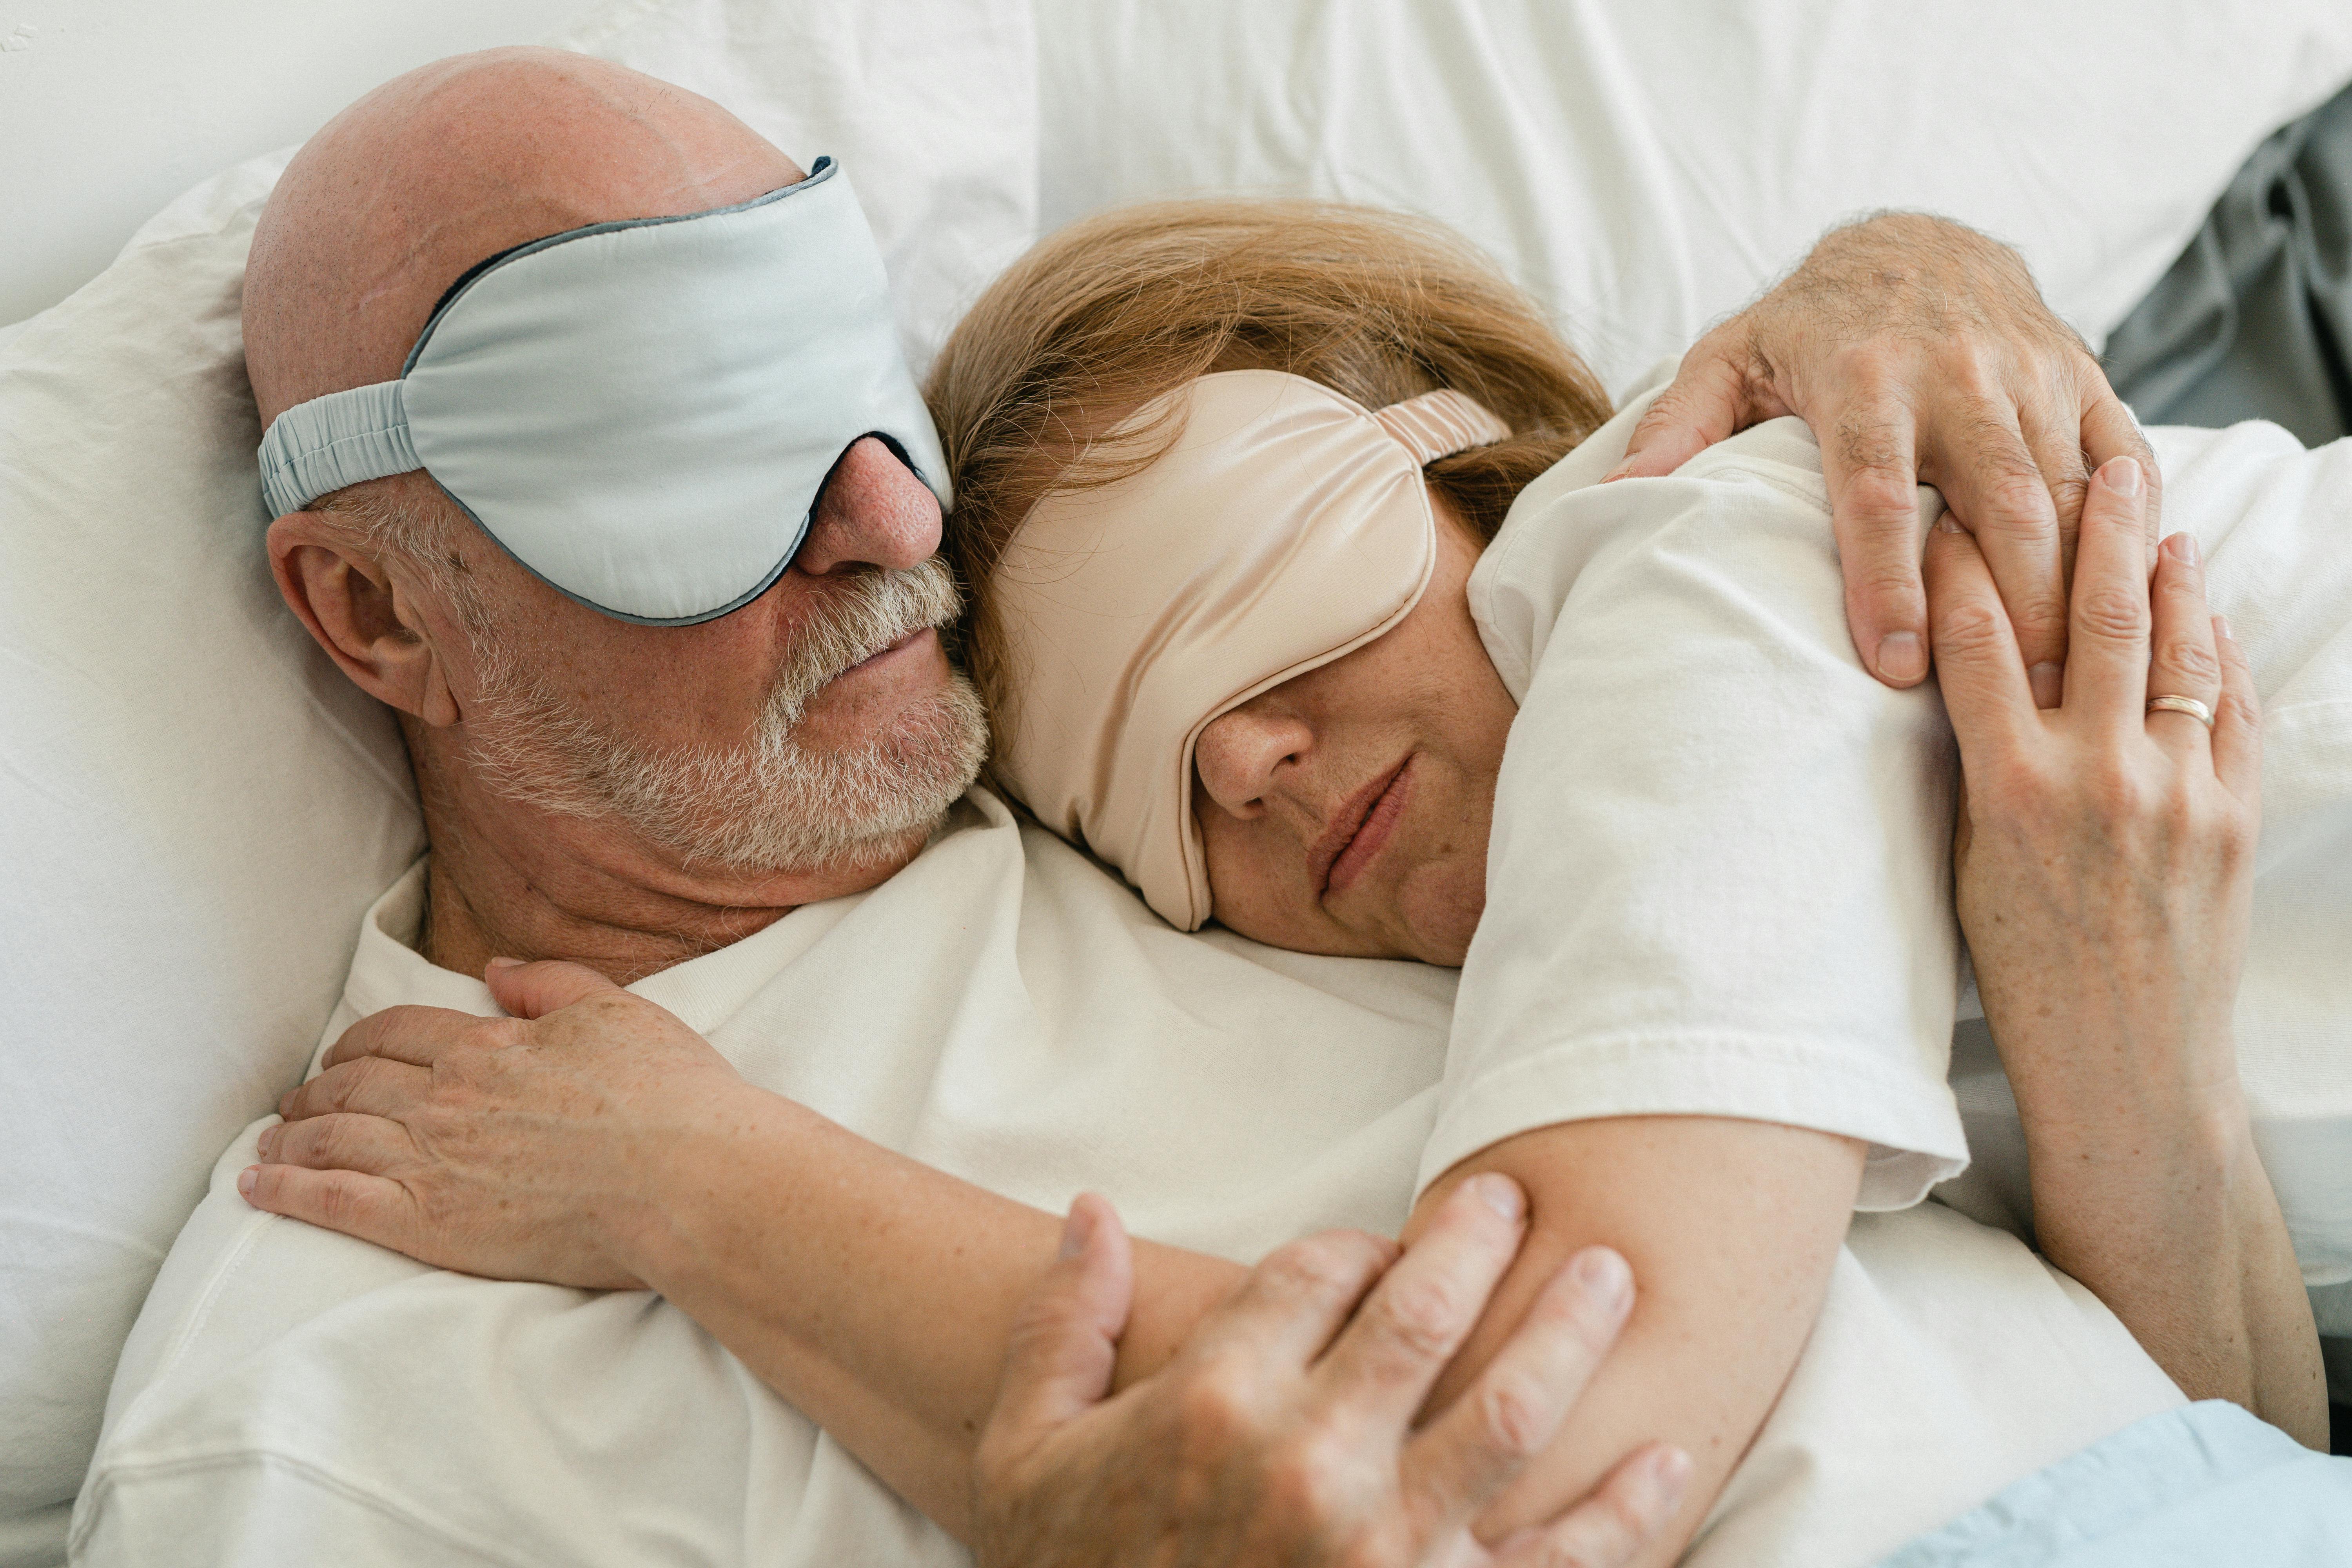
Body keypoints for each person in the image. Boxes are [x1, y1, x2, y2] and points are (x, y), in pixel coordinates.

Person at [78, 43, 2233, 1568]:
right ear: (373, 613)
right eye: (677, 437)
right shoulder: (333, 1386)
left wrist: (1890, 265)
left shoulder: (1344, 853)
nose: (882, 513)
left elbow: (2144, 1412)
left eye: (852, 385)